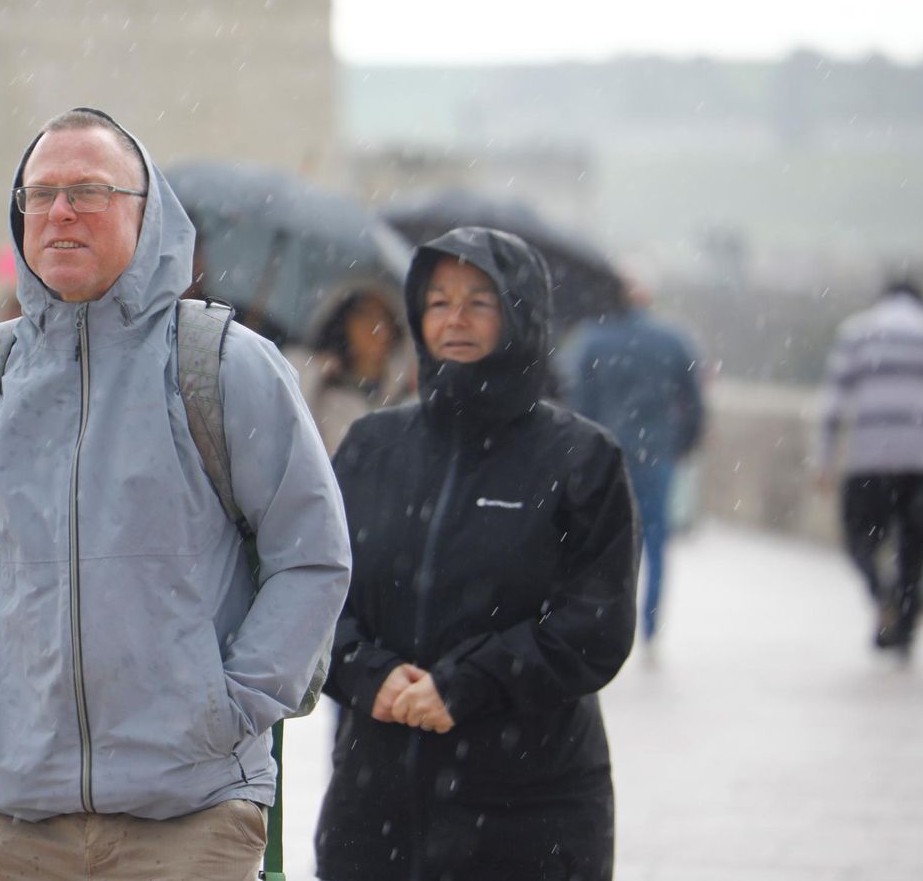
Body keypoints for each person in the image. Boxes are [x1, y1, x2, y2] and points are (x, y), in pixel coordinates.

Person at [0, 107, 351, 881]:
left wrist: (230, 707)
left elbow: (312, 557)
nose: (60, 211)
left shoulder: (225, 365)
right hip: (15, 816)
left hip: (190, 819)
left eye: (89, 190)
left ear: (147, 214)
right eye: (40, 195)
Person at [315, 227, 639, 881]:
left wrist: (468, 684)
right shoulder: (372, 447)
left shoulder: (580, 458)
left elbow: (595, 626)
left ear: (521, 314)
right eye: (436, 302)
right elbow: (317, 593)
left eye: (479, 302)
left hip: (529, 807)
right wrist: (365, 673)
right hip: (377, 802)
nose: (454, 319)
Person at [816, 276, 923, 656]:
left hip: (869, 458)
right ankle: (905, 630)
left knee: (859, 538)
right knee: (915, 546)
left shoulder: (857, 332)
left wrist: (825, 458)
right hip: (921, 458)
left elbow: (833, 403)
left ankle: (882, 593)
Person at [561, 277, 704, 645]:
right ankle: (651, 628)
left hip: (607, 454)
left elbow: (579, 403)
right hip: (657, 454)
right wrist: (683, 444)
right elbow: (694, 402)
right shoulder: (673, 340)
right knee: (655, 541)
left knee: (607, 540)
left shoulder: (593, 339)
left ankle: (608, 623)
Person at [285, 285, 413, 456]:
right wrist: (312, 372)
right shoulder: (318, 382)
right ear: (344, 319)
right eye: (362, 314)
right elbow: (285, 426)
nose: (374, 326)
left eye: (383, 317)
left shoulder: (408, 405)